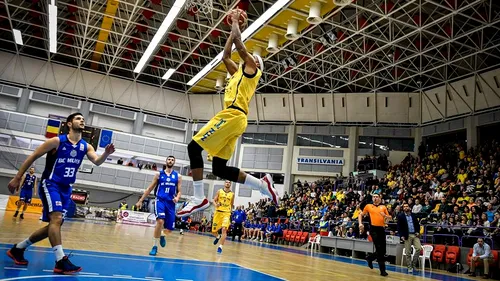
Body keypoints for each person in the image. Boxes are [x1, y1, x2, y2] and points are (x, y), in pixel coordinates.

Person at [177, 9, 278, 218]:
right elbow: (225, 56)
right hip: (236, 119)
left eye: (254, 57)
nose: (250, 57)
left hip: (233, 115)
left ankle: (199, 198)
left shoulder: (252, 71)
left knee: (193, 148)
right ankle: (261, 184)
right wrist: (232, 33)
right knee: (219, 169)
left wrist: (235, 23)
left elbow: (241, 49)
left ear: (257, 64)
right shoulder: (237, 74)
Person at [6, 113, 115, 274]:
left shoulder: (86, 146)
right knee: (56, 219)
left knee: (54, 225)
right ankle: (60, 261)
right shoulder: (57, 141)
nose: (82, 120)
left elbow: (97, 161)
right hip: (51, 184)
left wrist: (106, 154)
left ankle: (18, 248)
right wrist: (17, 177)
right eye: (78, 118)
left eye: (83, 119)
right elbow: (33, 156)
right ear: (69, 124)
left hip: (66, 188)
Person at [135, 156, 181, 256]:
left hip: (171, 203)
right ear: (166, 161)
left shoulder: (178, 176)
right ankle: (155, 246)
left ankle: (162, 235)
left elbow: (179, 191)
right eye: (169, 159)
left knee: (169, 229)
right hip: (160, 200)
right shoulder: (159, 174)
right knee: (160, 221)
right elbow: (150, 188)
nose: (170, 161)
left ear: (174, 162)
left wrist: (177, 198)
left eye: (172, 160)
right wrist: (141, 200)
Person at [358, 193, 391, 277]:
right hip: (373, 229)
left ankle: (370, 258)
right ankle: (382, 270)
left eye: (377, 197)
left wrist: (386, 216)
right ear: (372, 198)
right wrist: (360, 224)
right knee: (379, 249)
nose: (375, 198)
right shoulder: (368, 206)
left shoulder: (383, 207)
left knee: (383, 250)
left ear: (380, 198)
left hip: (381, 229)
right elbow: (360, 214)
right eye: (374, 197)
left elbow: (389, 219)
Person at [397, 203, 421, 273]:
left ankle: (413, 264)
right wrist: (401, 236)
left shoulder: (413, 215)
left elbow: (417, 224)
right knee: (408, 252)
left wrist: (418, 231)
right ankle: (409, 266)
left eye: (407, 206)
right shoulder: (401, 216)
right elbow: (399, 227)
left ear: (409, 207)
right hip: (407, 235)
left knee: (419, 248)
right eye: (404, 207)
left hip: (414, 234)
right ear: (403, 208)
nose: (406, 208)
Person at [212, 180, 234, 254]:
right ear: (224, 183)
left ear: (230, 184)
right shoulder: (219, 191)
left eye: (229, 182)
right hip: (218, 213)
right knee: (213, 231)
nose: (228, 183)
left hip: (226, 213)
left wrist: (230, 213)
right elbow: (214, 201)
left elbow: (231, 204)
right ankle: (218, 236)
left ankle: (220, 246)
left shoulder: (232, 194)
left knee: (224, 229)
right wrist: (216, 205)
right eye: (226, 182)